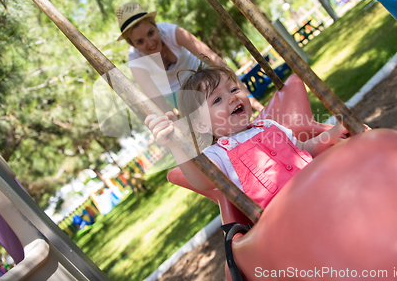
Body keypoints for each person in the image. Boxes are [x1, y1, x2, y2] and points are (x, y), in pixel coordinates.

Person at [145, 66, 351, 208]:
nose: (232, 97)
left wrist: (330, 136)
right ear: (200, 124)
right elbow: (202, 179)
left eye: (234, 89)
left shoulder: (268, 126)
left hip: (316, 186)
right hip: (285, 215)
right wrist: (175, 146)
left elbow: (303, 149)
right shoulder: (216, 154)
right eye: (217, 99)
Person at [115, 1, 264, 114]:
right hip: (175, 94)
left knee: (228, 107)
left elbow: (214, 60)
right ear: (132, 44)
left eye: (151, 33)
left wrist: (249, 96)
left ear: (156, 27)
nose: (149, 43)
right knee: (208, 128)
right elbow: (158, 102)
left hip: (200, 73)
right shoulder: (135, 61)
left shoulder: (170, 31)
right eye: (140, 41)